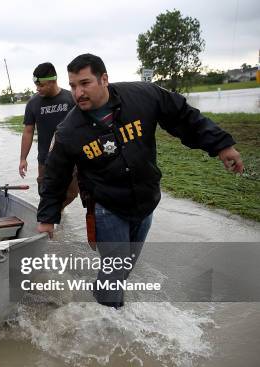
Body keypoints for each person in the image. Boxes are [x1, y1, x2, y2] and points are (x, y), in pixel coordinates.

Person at [37, 53, 244, 308]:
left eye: (85, 83)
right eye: (73, 85)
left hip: (145, 201)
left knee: (124, 268)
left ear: (104, 79)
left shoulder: (143, 96)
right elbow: (55, 176)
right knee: (115, 270)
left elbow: (185, 117)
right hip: (106, 207)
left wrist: (222, 145)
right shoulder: (69, 131)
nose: (78, 93)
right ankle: (109, 322)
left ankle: (96, 301)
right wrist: (47, 218)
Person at [19, 62, 77, 202]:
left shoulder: (71, 99)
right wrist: (23, 158)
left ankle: (59, 215)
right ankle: (53, 216)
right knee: (46, 195)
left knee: (71, 194)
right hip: (45, 160)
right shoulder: (33, 103)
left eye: (41, 85)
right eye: (36, 85)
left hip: (70, 158)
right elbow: (28, 131)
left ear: (53, 81)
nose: (38, 89)